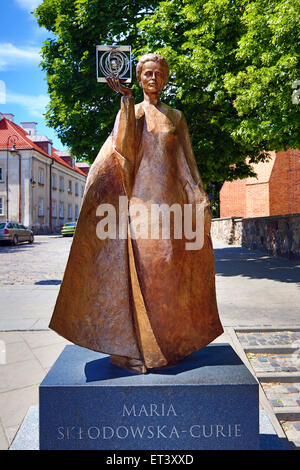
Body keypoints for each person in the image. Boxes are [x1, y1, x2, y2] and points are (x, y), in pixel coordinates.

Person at [49, 53, 223, 373]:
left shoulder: (176, 117)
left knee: (170, 276)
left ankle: (170, 345)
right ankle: (137, 347)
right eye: (147, 74)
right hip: (141, 208)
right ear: (139, 78)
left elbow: (187, 166)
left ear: (165, 78)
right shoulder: (133, 113)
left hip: (172, 210)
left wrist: (200, 199)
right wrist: (126, 103)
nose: (153, 78)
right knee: (145, 271)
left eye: (158, 73)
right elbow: (122, 153)